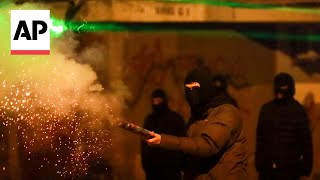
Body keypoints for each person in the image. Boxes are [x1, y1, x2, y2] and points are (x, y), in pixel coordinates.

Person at [146, 68, 247, 180]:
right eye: (187, 89)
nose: (191, 93)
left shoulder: (228, 112)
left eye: (195, 87)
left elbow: (207, 145)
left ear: (206, 86)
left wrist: (163, 140)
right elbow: (189, 151)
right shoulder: (196, 117)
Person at [255, 72, 313, 180]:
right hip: (287, 169)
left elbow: (260, 139)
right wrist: (306, 168)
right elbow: (306, 142)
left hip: (274, 169)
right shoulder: (298, 110)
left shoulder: (267, 109)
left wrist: (259, 163)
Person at [141, 89, 186, 180]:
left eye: (159, 101)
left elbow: (182, 142)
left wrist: (179, 164)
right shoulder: (149, 120)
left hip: (171, 170)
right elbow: (144, 144)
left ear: (164, 100)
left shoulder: (175, 119)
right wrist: (146, 164)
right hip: (153, 170)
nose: (156, 104)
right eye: (154, 101)